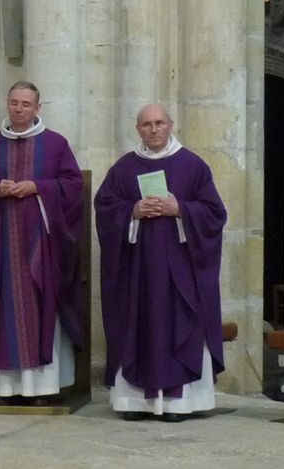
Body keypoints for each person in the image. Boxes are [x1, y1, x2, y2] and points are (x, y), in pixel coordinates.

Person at [94, 103, 226, 421]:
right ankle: (134, 402)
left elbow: (215, 214)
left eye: (159, 123)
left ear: (171, 125)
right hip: (137, 272)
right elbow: (104, 208)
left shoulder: (193, 166)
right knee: (137, 325)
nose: (154, 130)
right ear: (137, 128)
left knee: (181, 325)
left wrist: (180, 209)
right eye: (146, 124)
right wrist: (132, 212)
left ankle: (179, 403)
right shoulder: (123, 168)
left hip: (181, 271)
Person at [0, 81, 84, 401]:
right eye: (14, 102)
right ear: (7, 104)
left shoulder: (55, 145)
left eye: (26, 104)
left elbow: (72, 186)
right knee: (0, 311)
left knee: (39, 311)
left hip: (40, 250)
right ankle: (3, 387)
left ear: (38, 108)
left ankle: (39, 388)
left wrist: (38, 188)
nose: (19, 109)